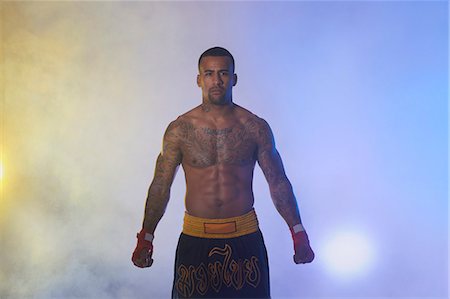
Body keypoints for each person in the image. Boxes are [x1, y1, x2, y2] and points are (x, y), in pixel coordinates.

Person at [132, 47, 314, 298]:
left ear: (234, 78)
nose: (216, 81)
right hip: (195, 237)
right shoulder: (180, 130)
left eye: (223, 74)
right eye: (209, 73)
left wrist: (298, 232)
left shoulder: (254, 127)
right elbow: (161, 185)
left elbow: (278, 182)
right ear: (199, 79)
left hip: (245, 237)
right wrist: (146, 236)